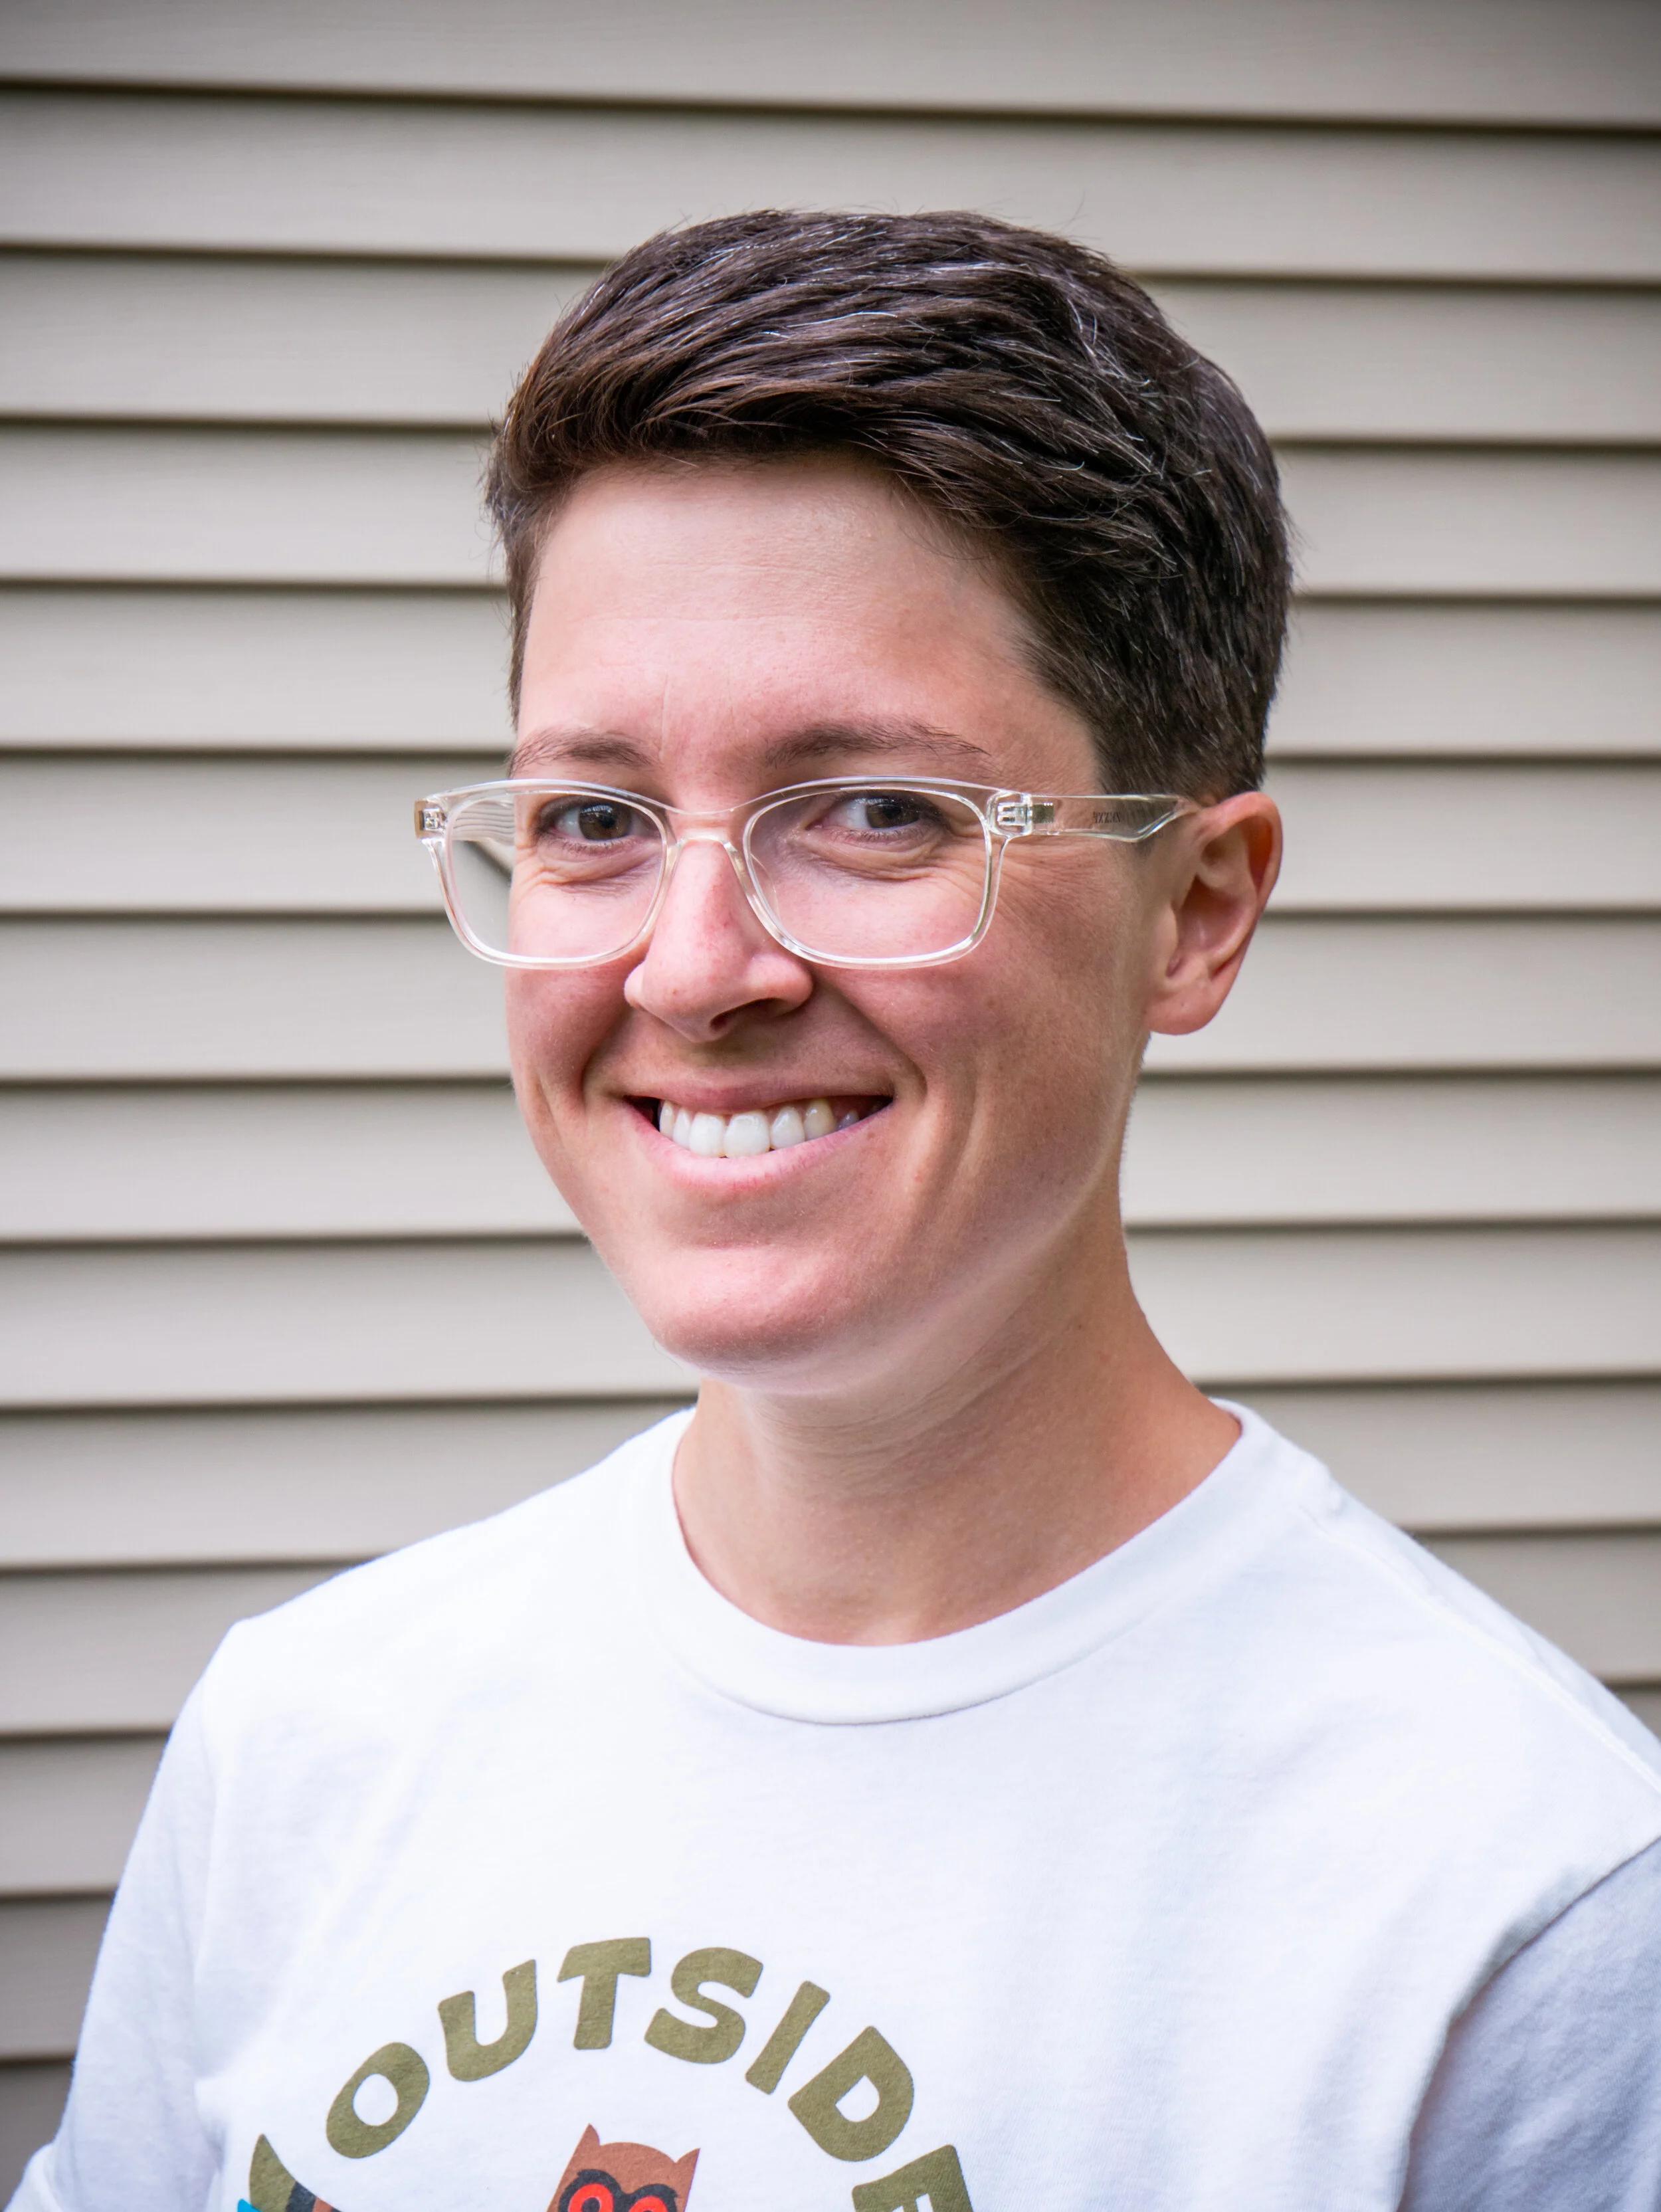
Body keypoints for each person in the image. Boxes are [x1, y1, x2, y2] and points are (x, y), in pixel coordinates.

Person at [13, 211, 1661, 2212]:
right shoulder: (311, 1739)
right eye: (594, 820)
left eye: (878, 810)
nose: (696, 971)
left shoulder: (1521, 1908)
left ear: (1197, 910)